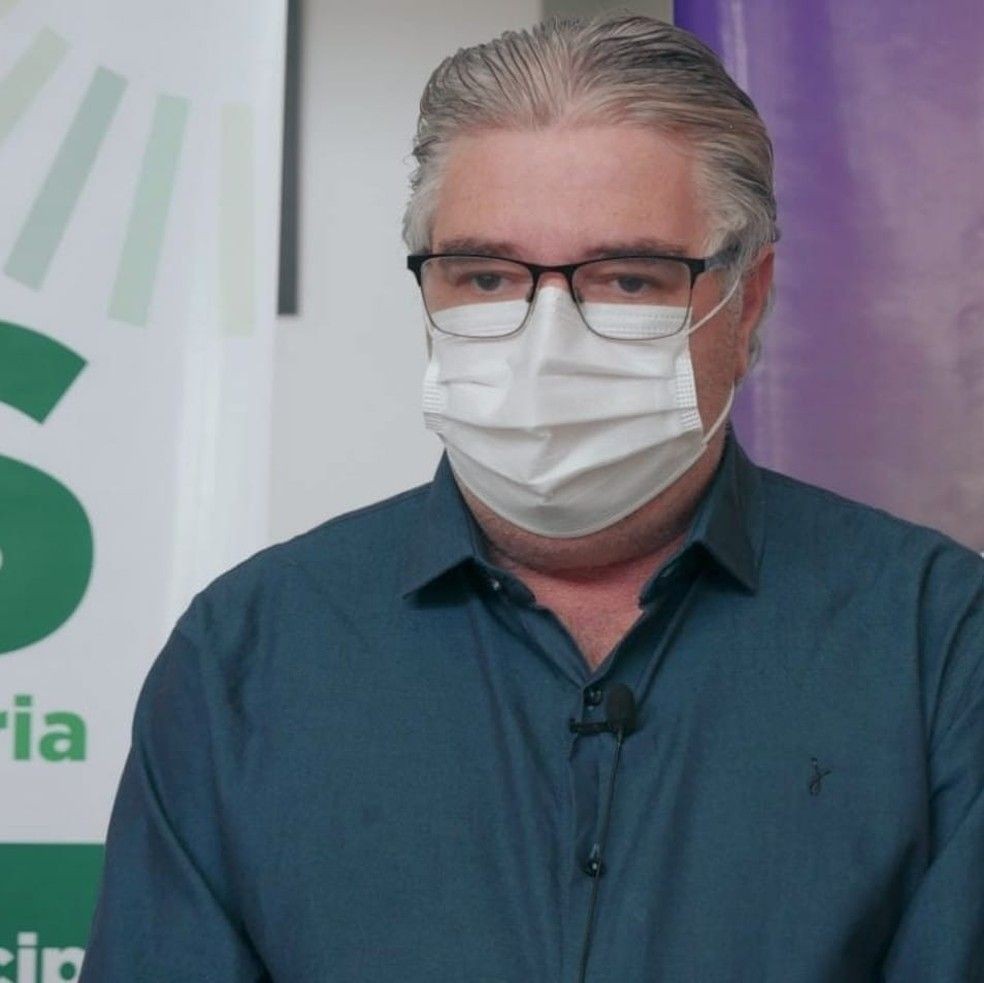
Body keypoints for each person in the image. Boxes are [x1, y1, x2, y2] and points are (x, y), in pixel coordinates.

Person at [80, 13, 983, 982]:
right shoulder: (248, 655)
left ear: (747, 296)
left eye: (627, 277)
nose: (547, 339)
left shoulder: (935, 643)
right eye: (486, 276)